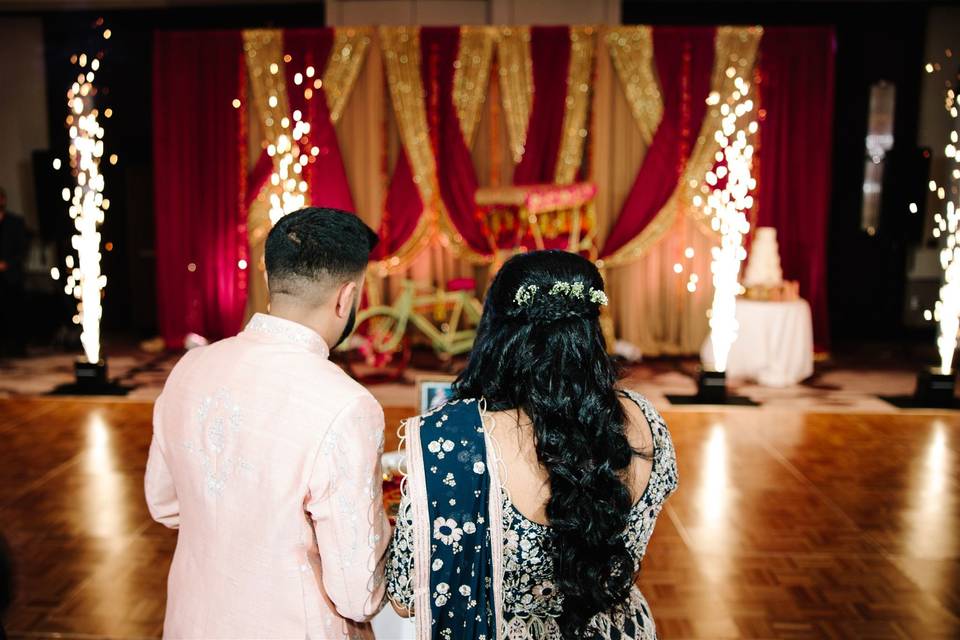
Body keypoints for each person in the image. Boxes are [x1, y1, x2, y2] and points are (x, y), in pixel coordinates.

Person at [386, 250, 678, 640]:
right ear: (593, 328)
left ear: (497, 333)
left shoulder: (460, 443)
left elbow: (408, 597)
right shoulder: (647, 420)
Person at [145, 207, 390, 639]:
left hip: (191, 622)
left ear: (269, 280)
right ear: (345, 297)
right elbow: (358, 593)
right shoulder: (347, 405)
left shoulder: (190, 367)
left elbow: (164, 504)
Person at [0, 187, 27, 357]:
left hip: (12, 276)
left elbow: (22, 249)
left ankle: (17, 347)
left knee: (15, 312)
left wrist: (7, 264)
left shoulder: (15, 222)